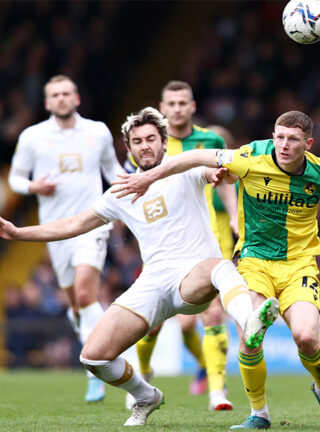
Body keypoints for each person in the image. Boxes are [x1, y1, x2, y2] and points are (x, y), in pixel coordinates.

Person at [0, 107, 279, 427]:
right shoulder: (120, 191)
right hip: (153, 281)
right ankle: (145, 395)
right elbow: (73, 224)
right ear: (128, 148)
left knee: (220, 265)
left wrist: (219, 176)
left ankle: (250, 319)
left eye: (151, 138)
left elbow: (218, 171)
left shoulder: (183, 167)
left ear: (165, 142)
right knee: (93, 357)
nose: (145, 146)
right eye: (137, 141)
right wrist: (18, 233)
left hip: (193, 275)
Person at [111, 110, 320, 430]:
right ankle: (259, 414)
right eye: (279, 137)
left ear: (309, 143)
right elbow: (194, 156)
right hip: (254, 260)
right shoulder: (250, 156)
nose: (284, 145)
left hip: (298, 265)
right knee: (250, 337)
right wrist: (149, 176)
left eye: (293, 139)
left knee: (306, 338)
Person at [7, 75, 125, 403]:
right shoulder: (33, 137)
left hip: (92, 223)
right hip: (56, 231)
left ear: (77, 98)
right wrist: (33, 187)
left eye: (66, 93)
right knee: (76, 305)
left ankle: (107, 365)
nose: (61, 99)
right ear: (47, 102)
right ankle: (96, 363)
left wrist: (137, 184)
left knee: (87, 293)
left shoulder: (97, 132)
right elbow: (15, 178)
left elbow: (112, 171)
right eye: (54, 95)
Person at [125, 81, 239, 410]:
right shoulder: (150, 141)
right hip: (164, 237)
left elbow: (226, 179)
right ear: (163, 107)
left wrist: (233, 215)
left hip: (209, 235)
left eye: (182, 103)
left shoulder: (211, 140)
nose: (176, 109)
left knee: (213, 313)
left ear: (192, 106)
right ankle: (144, 372)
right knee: (158, 320)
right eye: (170, 103)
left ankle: (218, 390)